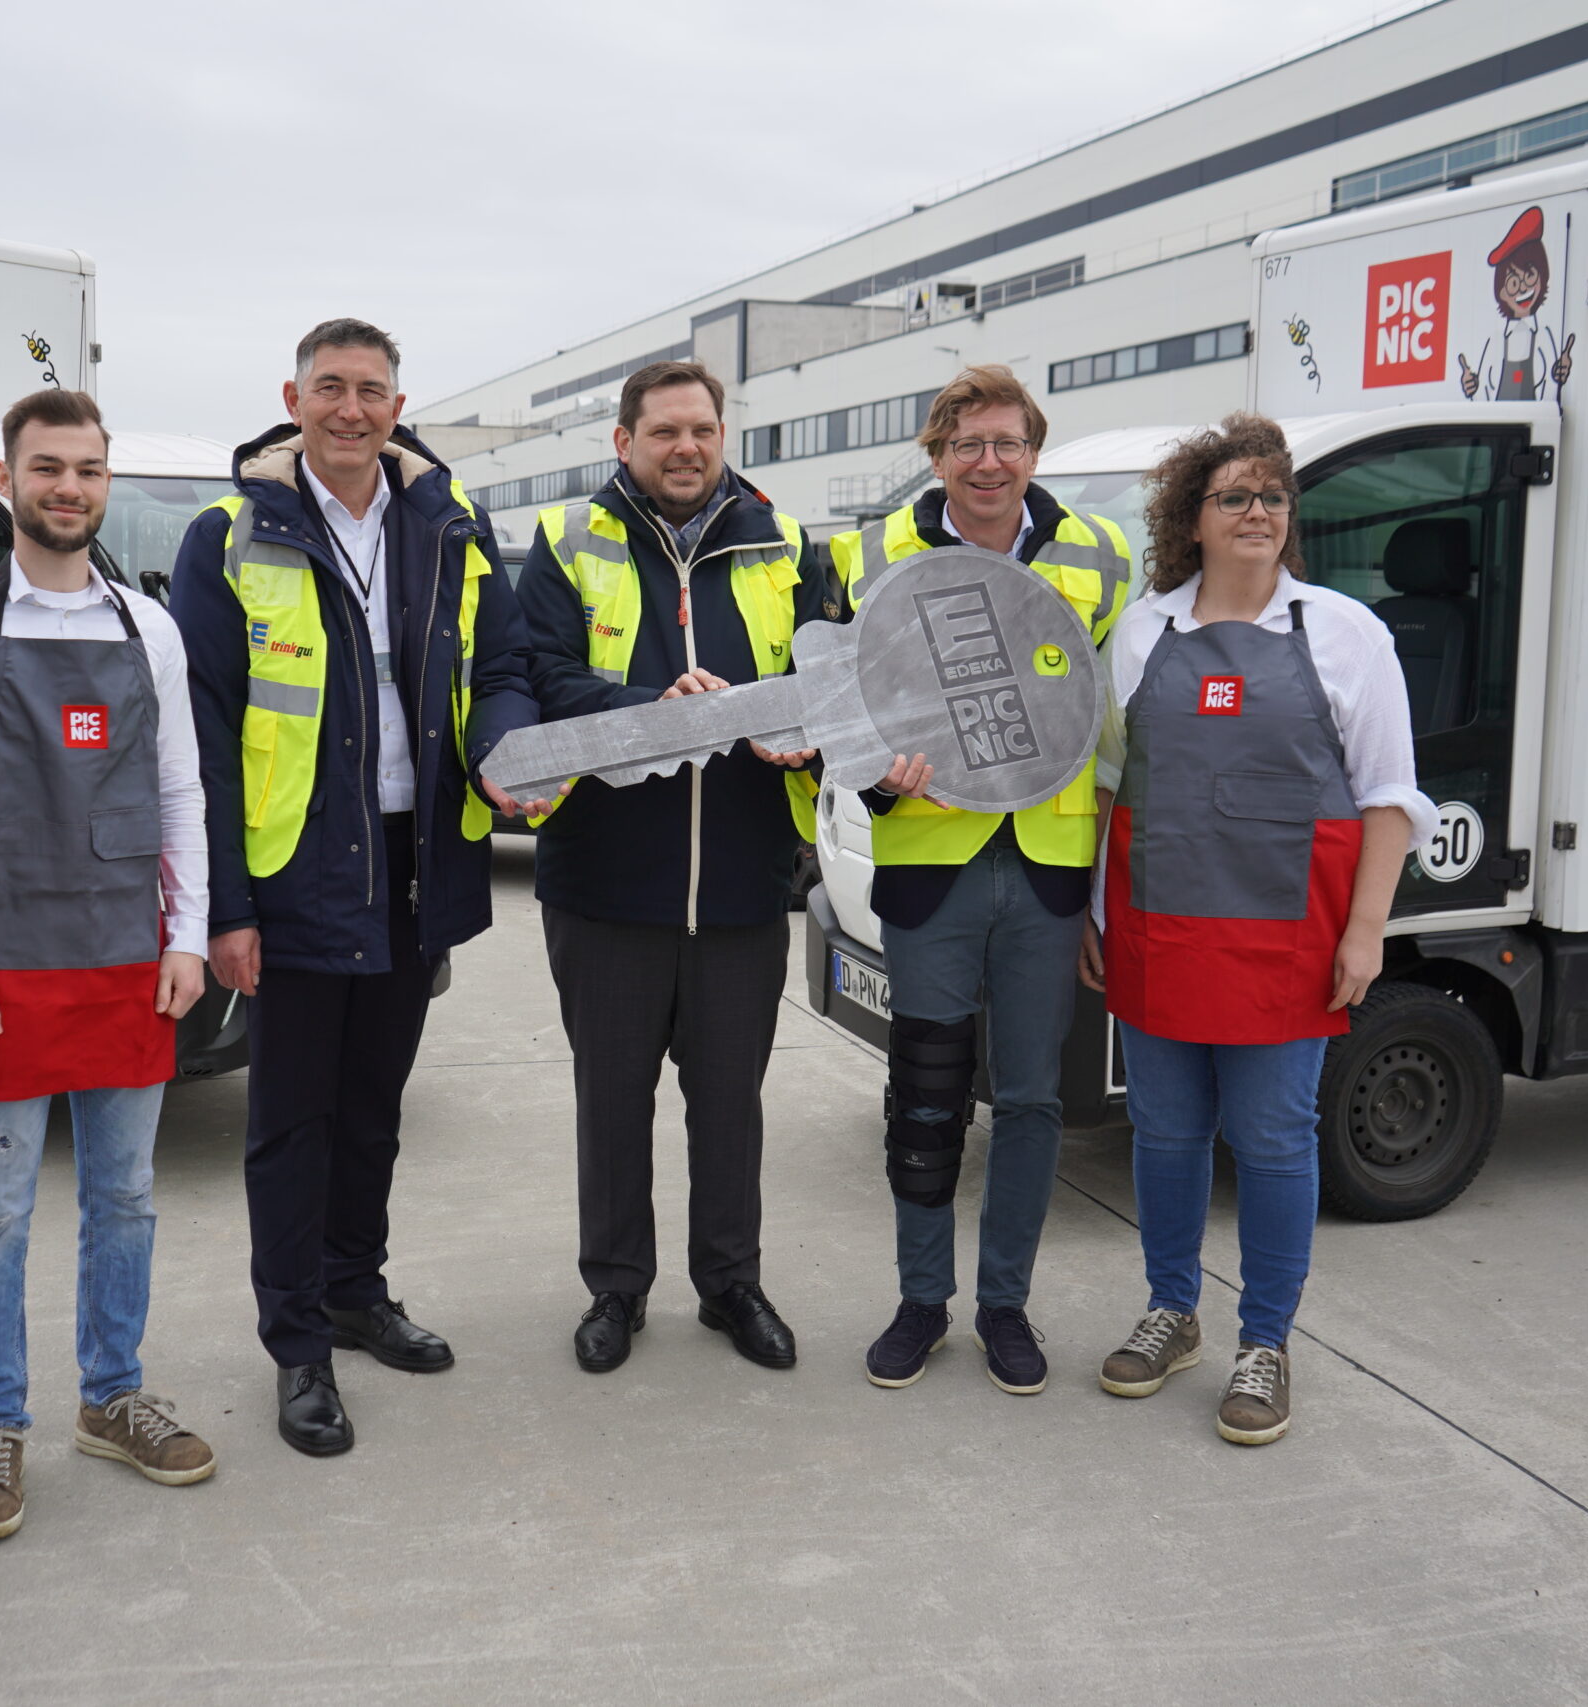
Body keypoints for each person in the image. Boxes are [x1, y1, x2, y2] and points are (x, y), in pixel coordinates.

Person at [174, 319, 546, 1456]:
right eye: (328, 389)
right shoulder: (230, 533)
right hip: (294, 870)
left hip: (414, 859)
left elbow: (505, 669)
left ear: (397, 404)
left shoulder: (449, 525)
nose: (349, 409)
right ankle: (296, 1348)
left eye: (369, 390)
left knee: (374, 1110)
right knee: (291, 1121)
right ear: (291, 397)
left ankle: (354, 1291)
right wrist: (226, 908)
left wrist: (509, 745)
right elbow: (205, 730)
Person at [1081, 412, 1434, 1445]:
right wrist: (1095, 913)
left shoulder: (1343, 633)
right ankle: (1170, 1311)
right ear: (1189, 518)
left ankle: (1265, 1339)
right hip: (1154, 926)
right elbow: (1109, 783)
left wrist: (1364, 932)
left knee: (1274, 1139)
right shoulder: (1141, 630)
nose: (1257, 511)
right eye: (1233, 495)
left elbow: (1387, 796)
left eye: (1272, 496)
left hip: (1288, 938)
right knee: (1164, 1132)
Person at [0, 388, 216, 1543]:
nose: (69, 488)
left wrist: (184, 937)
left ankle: (113, 1394)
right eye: (47, 468)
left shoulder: (152, 630)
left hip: (125, 959)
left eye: (88, 469)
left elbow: (181, 791)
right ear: (7, 479)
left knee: (124, 1196)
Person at [824, 365, 1132, 1395]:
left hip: (1047, 865)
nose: (987, 463)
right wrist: (874, 779)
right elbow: (837, 709)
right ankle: (922, 1303)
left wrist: (1108, 888)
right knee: (924, 1093)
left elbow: (1118, 721)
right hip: (930, 856)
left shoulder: (1102, 556)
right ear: (936, 455)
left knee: (1035, 1099)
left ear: (1033, 453)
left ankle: (1005, 1305)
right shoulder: (866, 555)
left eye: (1006, 443)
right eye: (966, 445)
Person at [518, 358, 823, 1374]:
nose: (685, 448)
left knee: (729, 1101)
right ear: (624, 443)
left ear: (722, 436)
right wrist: (647, 706)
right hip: (607, 882)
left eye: (701, 430)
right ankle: (615, 1288)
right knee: (612, 1101)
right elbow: (540, 679)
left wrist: (797, 731)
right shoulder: (568, 542)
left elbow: (831, 678)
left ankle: (730, 1283)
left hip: (741, 881)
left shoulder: (785, 546)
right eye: (663, 433)